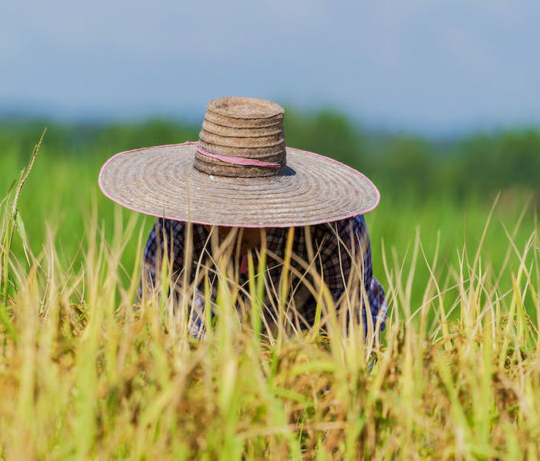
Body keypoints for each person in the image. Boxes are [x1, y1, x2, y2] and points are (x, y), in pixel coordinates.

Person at [98, 96, 386, 339]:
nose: (226, 229)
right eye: (216, 210)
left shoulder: (335, 231)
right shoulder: (177, 224)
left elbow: (353, 341)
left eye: (242, 215)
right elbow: (153, 329)